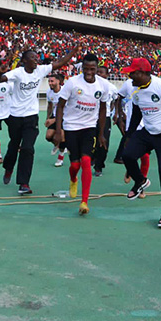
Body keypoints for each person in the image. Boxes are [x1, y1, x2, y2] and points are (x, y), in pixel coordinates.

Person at [0, 47, 80, 195]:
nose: (36, 60)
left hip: (31, 116)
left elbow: (60, 63)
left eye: (36, 58)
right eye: (33, 58)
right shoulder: (18, 73)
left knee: (27, 148)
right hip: (14, 116)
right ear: (24, 61)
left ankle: (24, 183)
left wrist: (73, 52)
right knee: (14, 145)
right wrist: (0, 72)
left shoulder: (40, 70)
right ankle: (8, 167)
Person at [120, 57, 161, 229]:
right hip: (149, 131)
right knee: (127, 155)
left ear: (143, 73)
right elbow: (136, 114)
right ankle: (140, 181)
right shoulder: (136, 89)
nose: (130, 77)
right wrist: (129, 136)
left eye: (133, 73)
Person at [54, 54, 109, 215]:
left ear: (97, 69)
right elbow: (60, 106)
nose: (89, 72)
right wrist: (59, 131)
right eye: (86, 69)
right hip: (71, 127)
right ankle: (73, 179)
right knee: (75, 165)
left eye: (92, 69)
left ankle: (84, 201)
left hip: (89, 127)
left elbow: (103, 109)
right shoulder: (72, 83)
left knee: (86, 161)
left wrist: (101, 133)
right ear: (82, 68)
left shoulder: (103, 85)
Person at [93, 64, 119, 177]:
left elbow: (116, 100)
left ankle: (99, 166)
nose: (99, 74)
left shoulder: (112, 87)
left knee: (103, 142)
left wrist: (115, 112)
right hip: (91, 117)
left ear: (107, 75)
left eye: (101, 72)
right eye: (97, 72)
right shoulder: (91, 85)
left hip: (105, 117)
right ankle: (92, 158)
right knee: (91, 141)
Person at [44, 74, 67, 167]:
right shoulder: (49, 92)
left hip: (65, 116)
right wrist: (48, 118)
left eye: (52, 81)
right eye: (49, 81)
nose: (50, 83)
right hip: (54, 115)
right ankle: (58, 145)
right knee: (48, 136)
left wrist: (54, 120)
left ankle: (60, 159)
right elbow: (50, 105)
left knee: (61, 136)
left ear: (58, 81)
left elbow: (66, 108)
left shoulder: (65, 91)